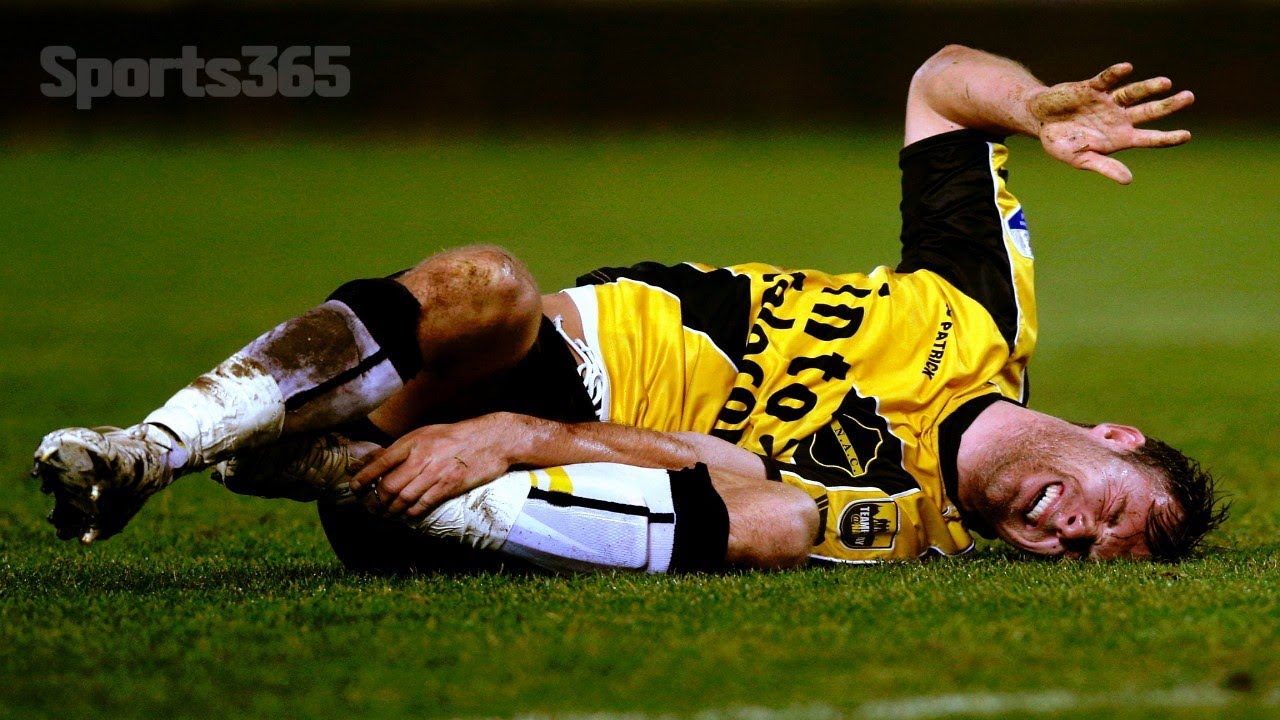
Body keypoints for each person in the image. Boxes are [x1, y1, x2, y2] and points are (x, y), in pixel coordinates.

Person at [31, 45, 1227, 573]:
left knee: (776, 524)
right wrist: (1030, 104)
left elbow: (715, 468)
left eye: (1083, 555)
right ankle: (148, 450)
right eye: (1116, 511)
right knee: (488, 282)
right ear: (1113, 436)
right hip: (542, 354)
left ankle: (349, 478)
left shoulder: (904, 524)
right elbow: (939, 84)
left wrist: (521, 440)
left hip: (531, 479)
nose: (1073, 531)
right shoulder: (975, 314)